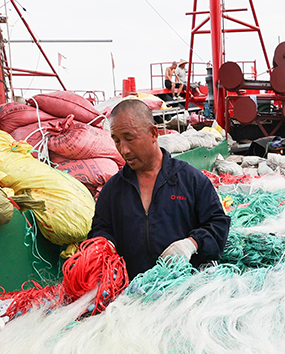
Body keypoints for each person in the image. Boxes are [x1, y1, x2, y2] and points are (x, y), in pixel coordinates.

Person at [88, 99, 230, 279]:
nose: (123, 150)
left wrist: (191, 244)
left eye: (130, 139)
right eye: (116, 141)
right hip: (133, 294)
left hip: (186, 290)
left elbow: (218, 224)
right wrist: (103, 244)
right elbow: (100, 230)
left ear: (153, 133)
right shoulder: (112, 190)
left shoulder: (191, 180)